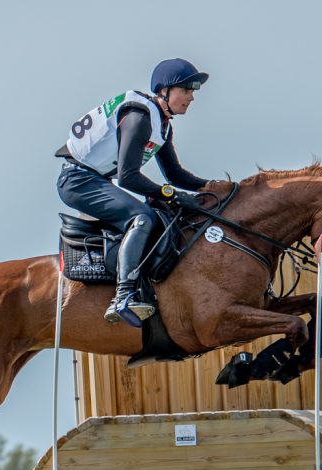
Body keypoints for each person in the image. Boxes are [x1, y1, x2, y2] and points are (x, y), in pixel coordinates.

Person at [56, 58, 213, 327]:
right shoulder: (139, 118)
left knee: (161, 212)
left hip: (94, 180)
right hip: (77, 181)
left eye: (193, 91)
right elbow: (128, 177)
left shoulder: (162, 125)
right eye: (186, 90)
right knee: (142, 218)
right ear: (164, 91)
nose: (191, 97)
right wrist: (170, 194)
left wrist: (214, 188)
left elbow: (174, 174)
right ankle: (123, 295)